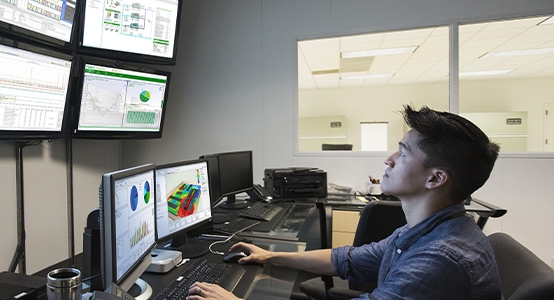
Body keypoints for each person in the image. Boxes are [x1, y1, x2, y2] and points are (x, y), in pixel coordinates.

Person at [187, 105, 502, 300]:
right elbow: (348, 260)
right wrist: (271, 255)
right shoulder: (426, 230)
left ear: (435, 179)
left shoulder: (440, 260)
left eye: (403, 152)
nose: (389, 159)